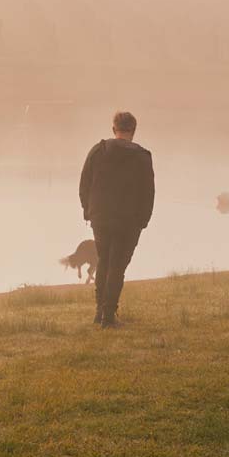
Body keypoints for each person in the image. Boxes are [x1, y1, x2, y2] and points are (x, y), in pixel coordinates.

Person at [79, 111, 155, 328]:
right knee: (117, 266)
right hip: (128, 221)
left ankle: (99, 312)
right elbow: (148, 192)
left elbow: (84, 184)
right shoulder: (142, 156)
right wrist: (144, 219)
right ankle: (109, 316)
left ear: (114, 129)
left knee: (104, 261)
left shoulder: (98, 150)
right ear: (133, 130)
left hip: (100, 217)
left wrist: (88, 210)